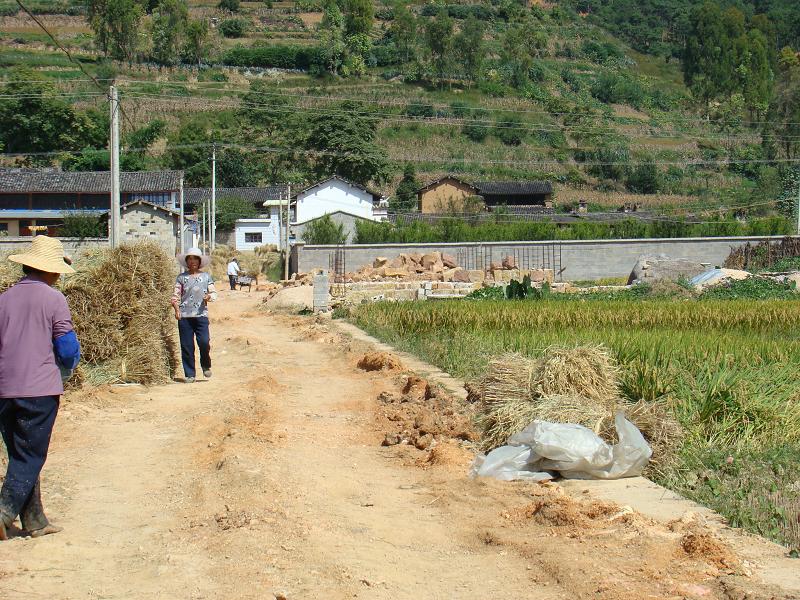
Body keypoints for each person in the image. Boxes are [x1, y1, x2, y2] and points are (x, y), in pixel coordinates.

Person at [0, 236, 80, 541]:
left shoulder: (4, 299)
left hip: (4, 389)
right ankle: (4, 511)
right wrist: (69, 367)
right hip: (38, 390)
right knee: (30, 457)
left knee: (21, 454)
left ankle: (34, 520)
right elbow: (67, 346)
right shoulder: (53, 299)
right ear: (48, 271)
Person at [172, 248, 217, 384]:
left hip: (201, 315)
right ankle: (190, 374)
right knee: (186, 346)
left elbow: (214, 293)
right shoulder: (181, 278)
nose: (193, 261)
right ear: (186, 262)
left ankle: (205, 364)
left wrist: (209, 296)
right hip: (185, 316)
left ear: (199, 261)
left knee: (204, 341)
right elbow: (175, 296)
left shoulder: (206, 277)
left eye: (195, 259)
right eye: (190, 259)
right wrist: (176, 309)